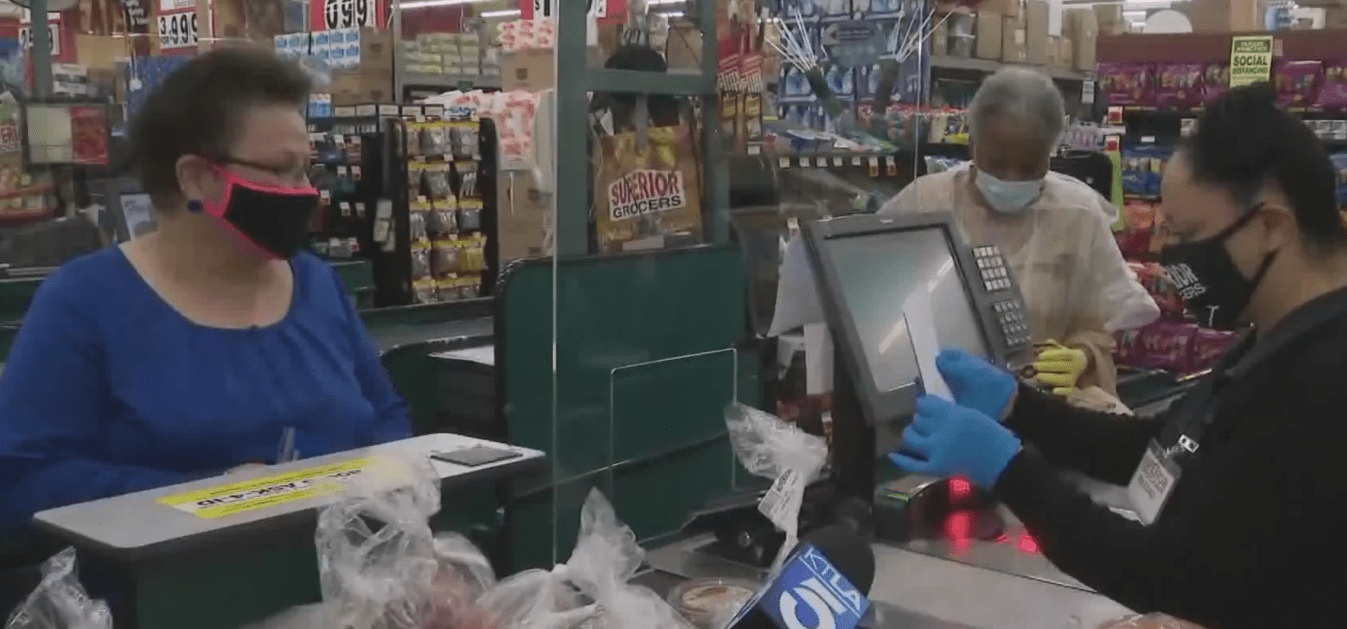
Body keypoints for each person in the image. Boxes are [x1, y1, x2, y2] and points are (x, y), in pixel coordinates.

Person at [889, 83, 1347, 628]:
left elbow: (1166, 573)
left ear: (1271, 227)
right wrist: (1020, 408)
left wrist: (1010, 469)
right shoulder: (1285, 336)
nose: (1162, 254)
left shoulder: (1322, 384)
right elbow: (1169, 448)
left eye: (1187, 234)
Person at [0, 47, 410, 530]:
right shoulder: (85, 302)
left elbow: (386, 417)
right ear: (195, 179)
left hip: (345, 583)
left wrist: (400, 525)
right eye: (282, 170)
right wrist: (212, 494)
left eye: (307, 169)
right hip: (166, 594)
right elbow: (25, 477)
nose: (306, 190)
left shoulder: (318, 284)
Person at [880, 68, 1158, 397]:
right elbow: (875, 303)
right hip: (937, 400)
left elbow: (1099, 322)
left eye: (1028, 168)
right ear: (972, 144)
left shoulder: (1077, 215)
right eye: (997, 164)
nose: (1011, 179)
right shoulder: (925, 203)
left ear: (1050, 154)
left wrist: (1082, 358)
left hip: (1042, 404)